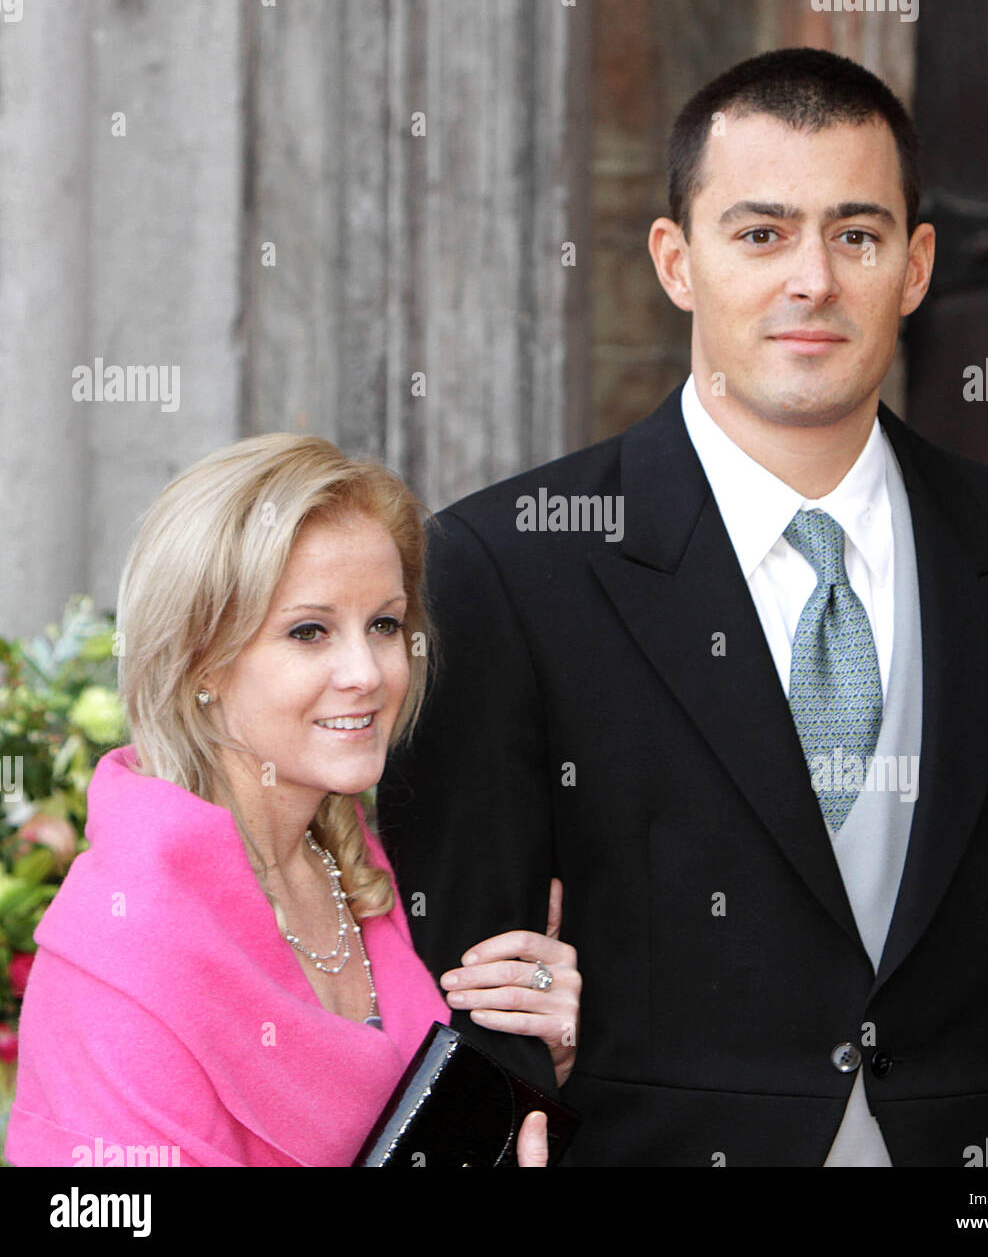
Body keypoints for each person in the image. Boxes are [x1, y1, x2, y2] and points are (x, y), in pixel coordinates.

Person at [381, 47, 988, 1166]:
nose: (812, 280)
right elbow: (464, 983)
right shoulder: (505, 566)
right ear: (675, 260)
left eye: (857, 234)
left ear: (917, 265)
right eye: (760, 232)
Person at [6, 434, 579, 1167]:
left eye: (384, 624)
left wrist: (536, 1055)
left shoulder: (374, 867)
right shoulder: (122, 950)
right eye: (309, 632)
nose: (367, 672)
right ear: (200, 662)